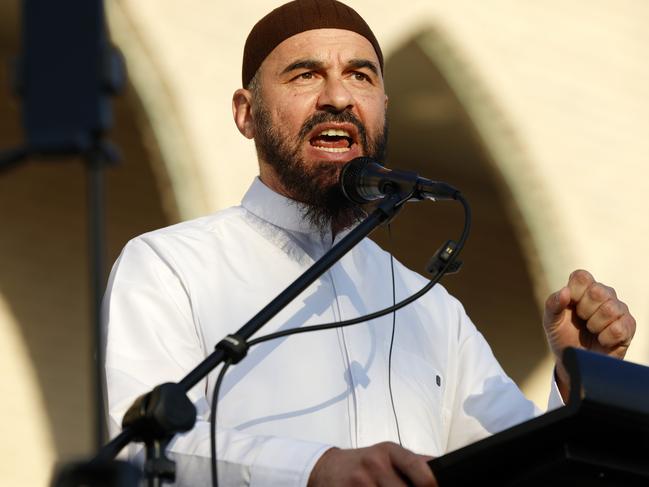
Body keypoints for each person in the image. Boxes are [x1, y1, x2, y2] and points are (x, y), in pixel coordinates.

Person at [103, 1, 636, 485]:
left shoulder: (432, 311)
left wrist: (581, 381)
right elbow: (147, 449)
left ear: (382, 106)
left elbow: (519, 471)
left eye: (359, 76)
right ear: (246, 113)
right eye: (305, 74)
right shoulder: (171, 266)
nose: (337, 97)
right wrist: (316, 470)